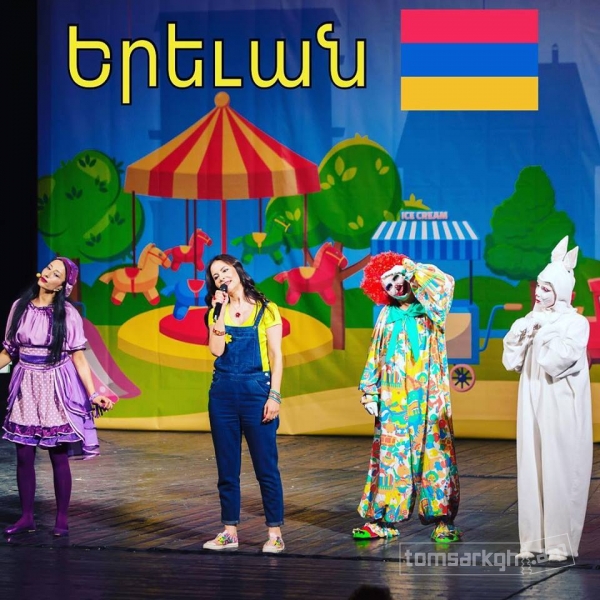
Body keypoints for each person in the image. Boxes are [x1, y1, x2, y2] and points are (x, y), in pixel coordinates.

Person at [1, 257, 114, 537]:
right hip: (26, 382)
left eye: (56, 274)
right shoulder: (19, 307)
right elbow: (9, 350)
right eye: (49, 268)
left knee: (57, 454)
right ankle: (27, 517)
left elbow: (79, 357)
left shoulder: (68, 314)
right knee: (24, 454)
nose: (49, 273)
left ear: (63, 285)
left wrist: (93, 393)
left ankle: (61, 519)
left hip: (55, 385)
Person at [353, 251, 461, 542]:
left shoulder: (432, 307)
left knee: (435, 456)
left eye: (398, 278)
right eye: (387, 284)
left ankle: (443, 521)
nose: (395, 286)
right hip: (394, 399)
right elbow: (375, 353)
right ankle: (383, 521)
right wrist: (369, 391)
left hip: (429, 396)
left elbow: (445, 283)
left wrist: (413, 270)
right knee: (391, 458)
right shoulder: (386, 315)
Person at [502, 236, 592, 562]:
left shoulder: (575, 323)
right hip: (531, 399)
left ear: (562, 291)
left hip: (560, 403)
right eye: (539, 287)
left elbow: (558, 359)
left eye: (546, 288)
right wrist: (521, 334)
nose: (538, 293)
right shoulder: (531, 319)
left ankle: (559, 544)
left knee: (560, 468)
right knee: (531, 465)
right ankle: (532, 542)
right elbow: (511, 360)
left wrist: (543, 334)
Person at [202, 254, 285, 553]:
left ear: (237, 270)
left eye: (225, 270)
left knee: (266, 467)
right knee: (227, 468)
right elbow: (216, 350)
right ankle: (229, 532)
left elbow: (276, 355)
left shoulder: (266, 309)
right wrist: (219, 312)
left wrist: (274, 395)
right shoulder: (216, 312)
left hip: (256, 390)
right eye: (216, 275)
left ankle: (274, 533)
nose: (222, 277)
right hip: (223, 393)